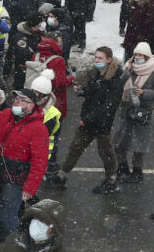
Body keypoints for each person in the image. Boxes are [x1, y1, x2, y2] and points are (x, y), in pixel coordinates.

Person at [49, 47, 124, 194]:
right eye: (96, 58)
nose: (97, 60)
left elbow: (108, 107)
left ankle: (111, 180)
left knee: (106, 152)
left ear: (109, 60)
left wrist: (88, 119)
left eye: (100, 58)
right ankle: (62, 174)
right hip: (88, 119)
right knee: (75, 147)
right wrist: (83, 92)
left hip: (101, 124)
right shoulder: (95, 74)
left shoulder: (115, 80)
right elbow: (93, 92)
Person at [0, 86, 49, 238]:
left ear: (32, 105)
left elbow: (40, 161)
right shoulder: (6, 114)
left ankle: (14, 246)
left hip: (15, 177)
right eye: (16, 99)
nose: (17, 102)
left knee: (7, 215)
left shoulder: (38, 128)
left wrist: (30, 188)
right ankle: (4, 240)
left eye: (23, 100)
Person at [111, 42, 154, 185]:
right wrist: (127, 71)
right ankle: (123, 168)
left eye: (141, 55)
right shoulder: (131, 68)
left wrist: (144, 93)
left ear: (147, 56)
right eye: (135, 54)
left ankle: (137, 173)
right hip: (127, 111)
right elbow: (119, 84)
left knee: (139, 146)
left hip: (143, 113)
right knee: (119, 142)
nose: (137, 57)